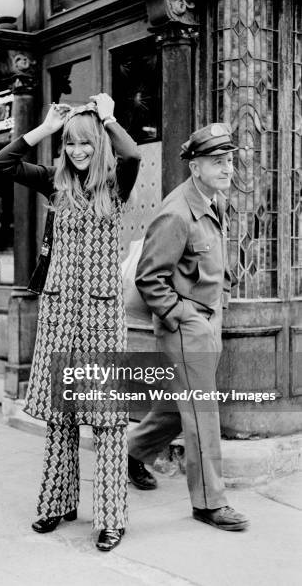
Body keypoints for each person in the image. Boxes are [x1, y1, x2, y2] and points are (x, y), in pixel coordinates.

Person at [0, 93, 140, 550]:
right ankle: (58, 502)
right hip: (59, 315)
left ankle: (111, 518)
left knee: (108, 420)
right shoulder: (53, 183)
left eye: (84, 144)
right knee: (60, 416)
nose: (76, 152)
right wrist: (46, 128)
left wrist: (110, 118)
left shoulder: (116, 184)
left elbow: (132, 153)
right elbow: (1, 164)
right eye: (70, 144)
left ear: (97, 146)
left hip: (100, 316)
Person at [128, 123, 250, 531]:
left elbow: (218, 262)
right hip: (187, 325)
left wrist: (223, 302)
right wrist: (184, 317)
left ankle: (133, 451)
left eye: (229, 160)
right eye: (217, 162)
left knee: (182, 404)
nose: (227, 168)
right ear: (194, 167)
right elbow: (149, 278)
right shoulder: (176, 211)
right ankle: (209, 503)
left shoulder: (211, 200)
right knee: (203, 412)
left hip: (207, 320)